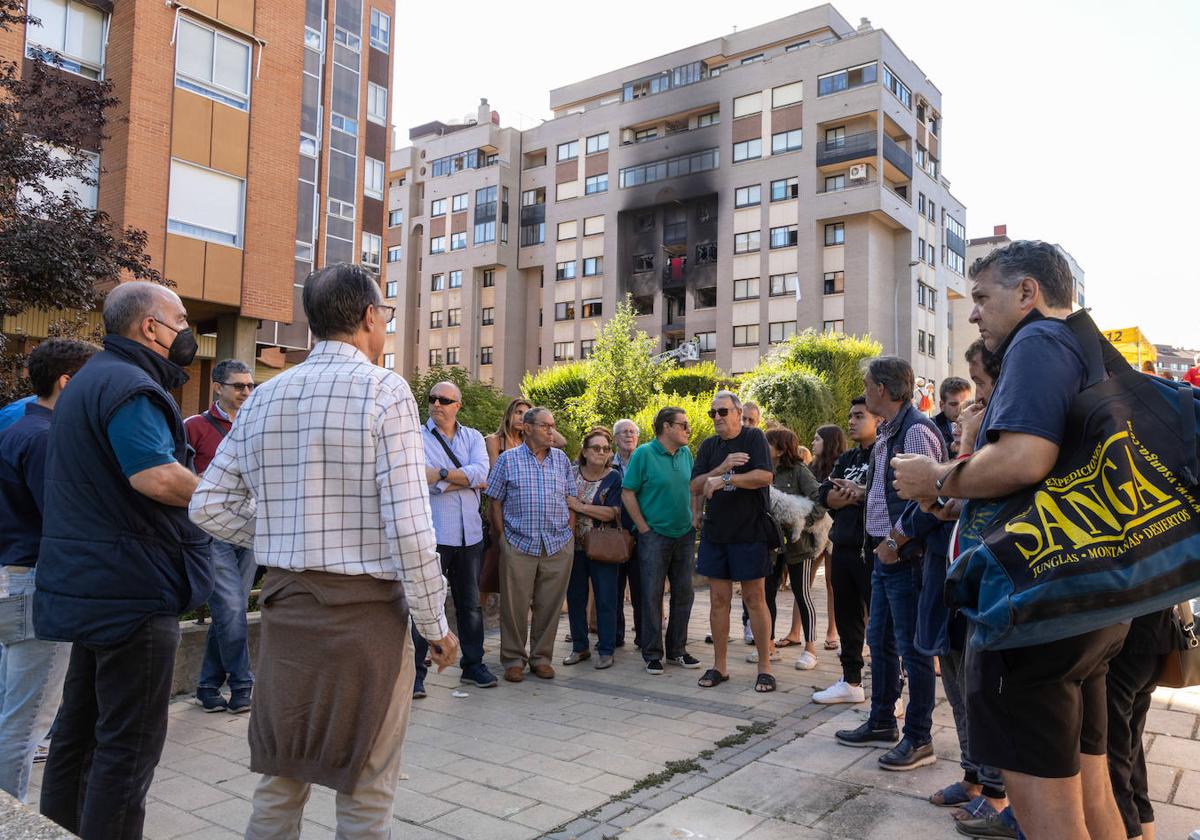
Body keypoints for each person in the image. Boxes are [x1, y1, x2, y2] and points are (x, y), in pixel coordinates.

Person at [190, 264, 457, 837]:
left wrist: (281, 537)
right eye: (383, 313)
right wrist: (435, 625)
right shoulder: (386, 390)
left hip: (289, 613)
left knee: (280, 781)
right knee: (367, 786)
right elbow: (411, 528)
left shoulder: (264, 396)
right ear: (367, 317)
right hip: (367, 619)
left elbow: (207, 504)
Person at [891, 240, 1130, 838]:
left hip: (1036, 607)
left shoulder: (1036, 341)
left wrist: (939, 476)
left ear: (1028, 293)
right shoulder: (1085, 345)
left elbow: (1024, 458)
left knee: (1047, 816)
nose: (973, 313)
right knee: (1091, 792)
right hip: (1089, 595)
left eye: (981, 298)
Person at [35, 282, 214, 839]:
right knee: (127, 747)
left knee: (78, 732)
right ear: (149, 327)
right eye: (180, 318)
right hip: (132, 591)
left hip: (93, 584)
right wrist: (222, 498)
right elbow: (154, 474)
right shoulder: (131, 386)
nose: (187, 329)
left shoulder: (91, 378)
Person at [834, 356, 944, 772]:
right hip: (884, 553)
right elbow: (893, 491)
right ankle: (882, 721)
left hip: (905, 555)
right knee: (880, 642)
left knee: (914, 652)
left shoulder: (915, 431)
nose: (863, 392)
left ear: (882, 389)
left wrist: (895, 543)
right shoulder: (889, 432)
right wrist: (862, 492)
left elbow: (929, 499)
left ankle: (919, 737)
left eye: (866, 385)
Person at [0, 339, 95, 802]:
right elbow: (60, 519)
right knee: (27, 722)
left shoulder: (19, 430)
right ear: (67, 382)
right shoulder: (45, 438)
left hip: (16, 579)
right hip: (36, 585)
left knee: (12, 713)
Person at [413, 380, 496, 698]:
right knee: (426, 605)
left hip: (470, 536)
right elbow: (422, 478)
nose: (436, 404)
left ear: (457, 405)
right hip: (434, 534)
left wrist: (444, 475)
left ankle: (473, 666)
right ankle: (417, 674)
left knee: (470, 605)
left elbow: (482, 475)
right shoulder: (416, 437)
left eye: (444, 400)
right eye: (432, 399)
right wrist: (464, 479)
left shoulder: (473, 437)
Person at [185, 359, 258, 714]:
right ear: (217, 387)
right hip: (212, 532)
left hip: (251, 531)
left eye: (250, 386)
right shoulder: (194, 427)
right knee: (230, 607)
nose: (246, 392)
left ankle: (207, 685)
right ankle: (243, 686)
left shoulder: (259, 425)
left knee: (233, 611)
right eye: (238, 386)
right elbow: (181, 479)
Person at [691, 391, 776, 692]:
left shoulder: (754, 438)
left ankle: (765, 667)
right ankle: (720, 666)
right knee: (718, 600)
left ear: (738, 412)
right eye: (712, 413)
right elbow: (696, 485)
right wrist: (721, 468)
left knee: (755, 599)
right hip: (716, 533)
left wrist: (727, 480)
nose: (716, 418)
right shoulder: (708, 446)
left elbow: (764, 476)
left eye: (723, 412)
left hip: (750, 531)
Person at [486, 407, 575, 682]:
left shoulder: (560, 460)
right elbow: (494, 500)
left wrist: (569, 532)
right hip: (518, 544)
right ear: (527, 428)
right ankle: (513, 660)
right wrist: (503, 538)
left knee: (550, 606)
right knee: (513, 607)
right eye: (545, 426)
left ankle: (541, 658)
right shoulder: (508, 460)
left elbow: (571, 499)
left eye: (553, 425)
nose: (552, 431)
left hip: (557, 544)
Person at [621, 406, 698, 675]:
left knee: (684, 594)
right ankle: (652, 653)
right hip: (654, 536)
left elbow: (692, 488)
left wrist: (694, 517)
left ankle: (677, 649)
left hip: (684, 534)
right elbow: (628, 492)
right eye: (683, 425)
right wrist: (643, 528)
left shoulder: (687, 453)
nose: (688, 429)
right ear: (667, 427)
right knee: (652, 595)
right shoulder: (643, 454)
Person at [812, 397, 880, 704]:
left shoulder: (886, 453)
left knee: (879, 622)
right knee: (847, 617)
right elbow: (825, 494)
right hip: (843, 546)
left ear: (878, 419)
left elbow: (881, 495)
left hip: (874, 550)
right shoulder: (848, 457)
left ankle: (890, 690)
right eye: (850, 415)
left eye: (859, 416)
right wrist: (850, 495)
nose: (851, 421)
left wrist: (854, 494)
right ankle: (851, 681)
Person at [1106, 608, 1174, 840]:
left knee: (1113, 763)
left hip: (1123, 646)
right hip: (1154, 642)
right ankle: (1146, 833)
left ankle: (1131, 832)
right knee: (1131, 759)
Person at [759, 427, 824, 670]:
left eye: (769, 443)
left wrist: (803, 523)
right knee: (767, 594)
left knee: (802, 593)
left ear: (781, 447)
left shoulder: (799, 471)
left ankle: (811, 648)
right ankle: (769, 645)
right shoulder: (764, 471)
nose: (764, 447)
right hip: (771, 545)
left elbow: (821, 500)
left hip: (799, 545)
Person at [564, 428, 623, 669]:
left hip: (602, 547)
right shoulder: (570, 472)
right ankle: (580, 647)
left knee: (606, 599)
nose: (602, 452)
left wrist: (579, 506)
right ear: (585, 452)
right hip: (572, 546)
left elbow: (613, 512)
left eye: (606, 449)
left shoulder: (614, 477)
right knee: (575, 598)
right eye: (596, 448)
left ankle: (606, 650)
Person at [812, 424, 847, 651]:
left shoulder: (842, 465)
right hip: (813, 530)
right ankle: (798, 631)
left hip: (834, 530)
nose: (813, 442)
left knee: (832, 583)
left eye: (817, 439)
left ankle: (832, 630)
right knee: (803, 580)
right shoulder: (810, 467)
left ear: (829, 442)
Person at [611, 418, 643, 650]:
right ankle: (615, 635)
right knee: (614, 588)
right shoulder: (606, 463)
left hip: (640, 531)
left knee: (642, 588)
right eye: (623, 432)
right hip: (613, 533)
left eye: (632, 432)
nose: (629, 435)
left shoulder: (645, 461)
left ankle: (643, 636)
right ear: (615, 438)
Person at [485, 397, 532, 467]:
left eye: (526, 415)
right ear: (508, 415)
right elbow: (494, 472)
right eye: (519, 413)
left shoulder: (528, 443)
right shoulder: (494, 440)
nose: (522, 418)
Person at [932, 376, 972, 456]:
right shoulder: (930, 427)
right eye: (954, 404)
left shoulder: (977, 423)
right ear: (942, 405)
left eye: (965, 404)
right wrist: (950, 448)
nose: (960, 409)